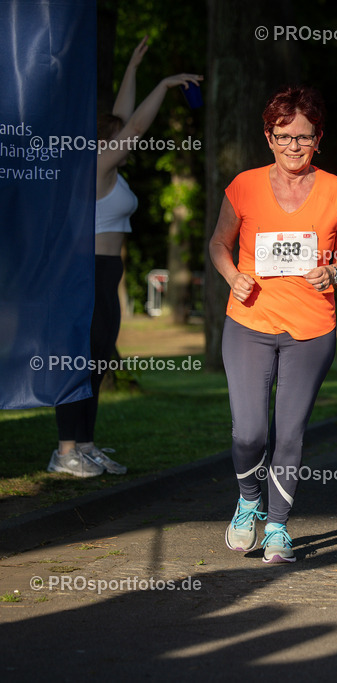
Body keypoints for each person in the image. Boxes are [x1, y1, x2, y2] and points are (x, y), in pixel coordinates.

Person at [209, 85, 337, 563]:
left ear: (319, 139)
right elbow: (217, 243)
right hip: (249, 322)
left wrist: (334, 271)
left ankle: (276, 527)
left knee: (289, 433)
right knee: (249, 432)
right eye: (283, 136)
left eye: (303, 137)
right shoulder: (245, 185)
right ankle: (248, 502)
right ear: (268, 137)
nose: (293, 146)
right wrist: (232, 276)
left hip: (311, 330)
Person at [50, 36, 202, 478]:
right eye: (118, 136)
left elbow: (122, 119)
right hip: (87, 274)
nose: (129, 139)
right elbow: (132, 127)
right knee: (80, 362)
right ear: (106, 140)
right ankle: (64, 451)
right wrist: (165, 84)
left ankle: (86, 445)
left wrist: (133, 68)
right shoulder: (96, 165)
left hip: (105, 276)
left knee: (98, 361)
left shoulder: (108, 165)